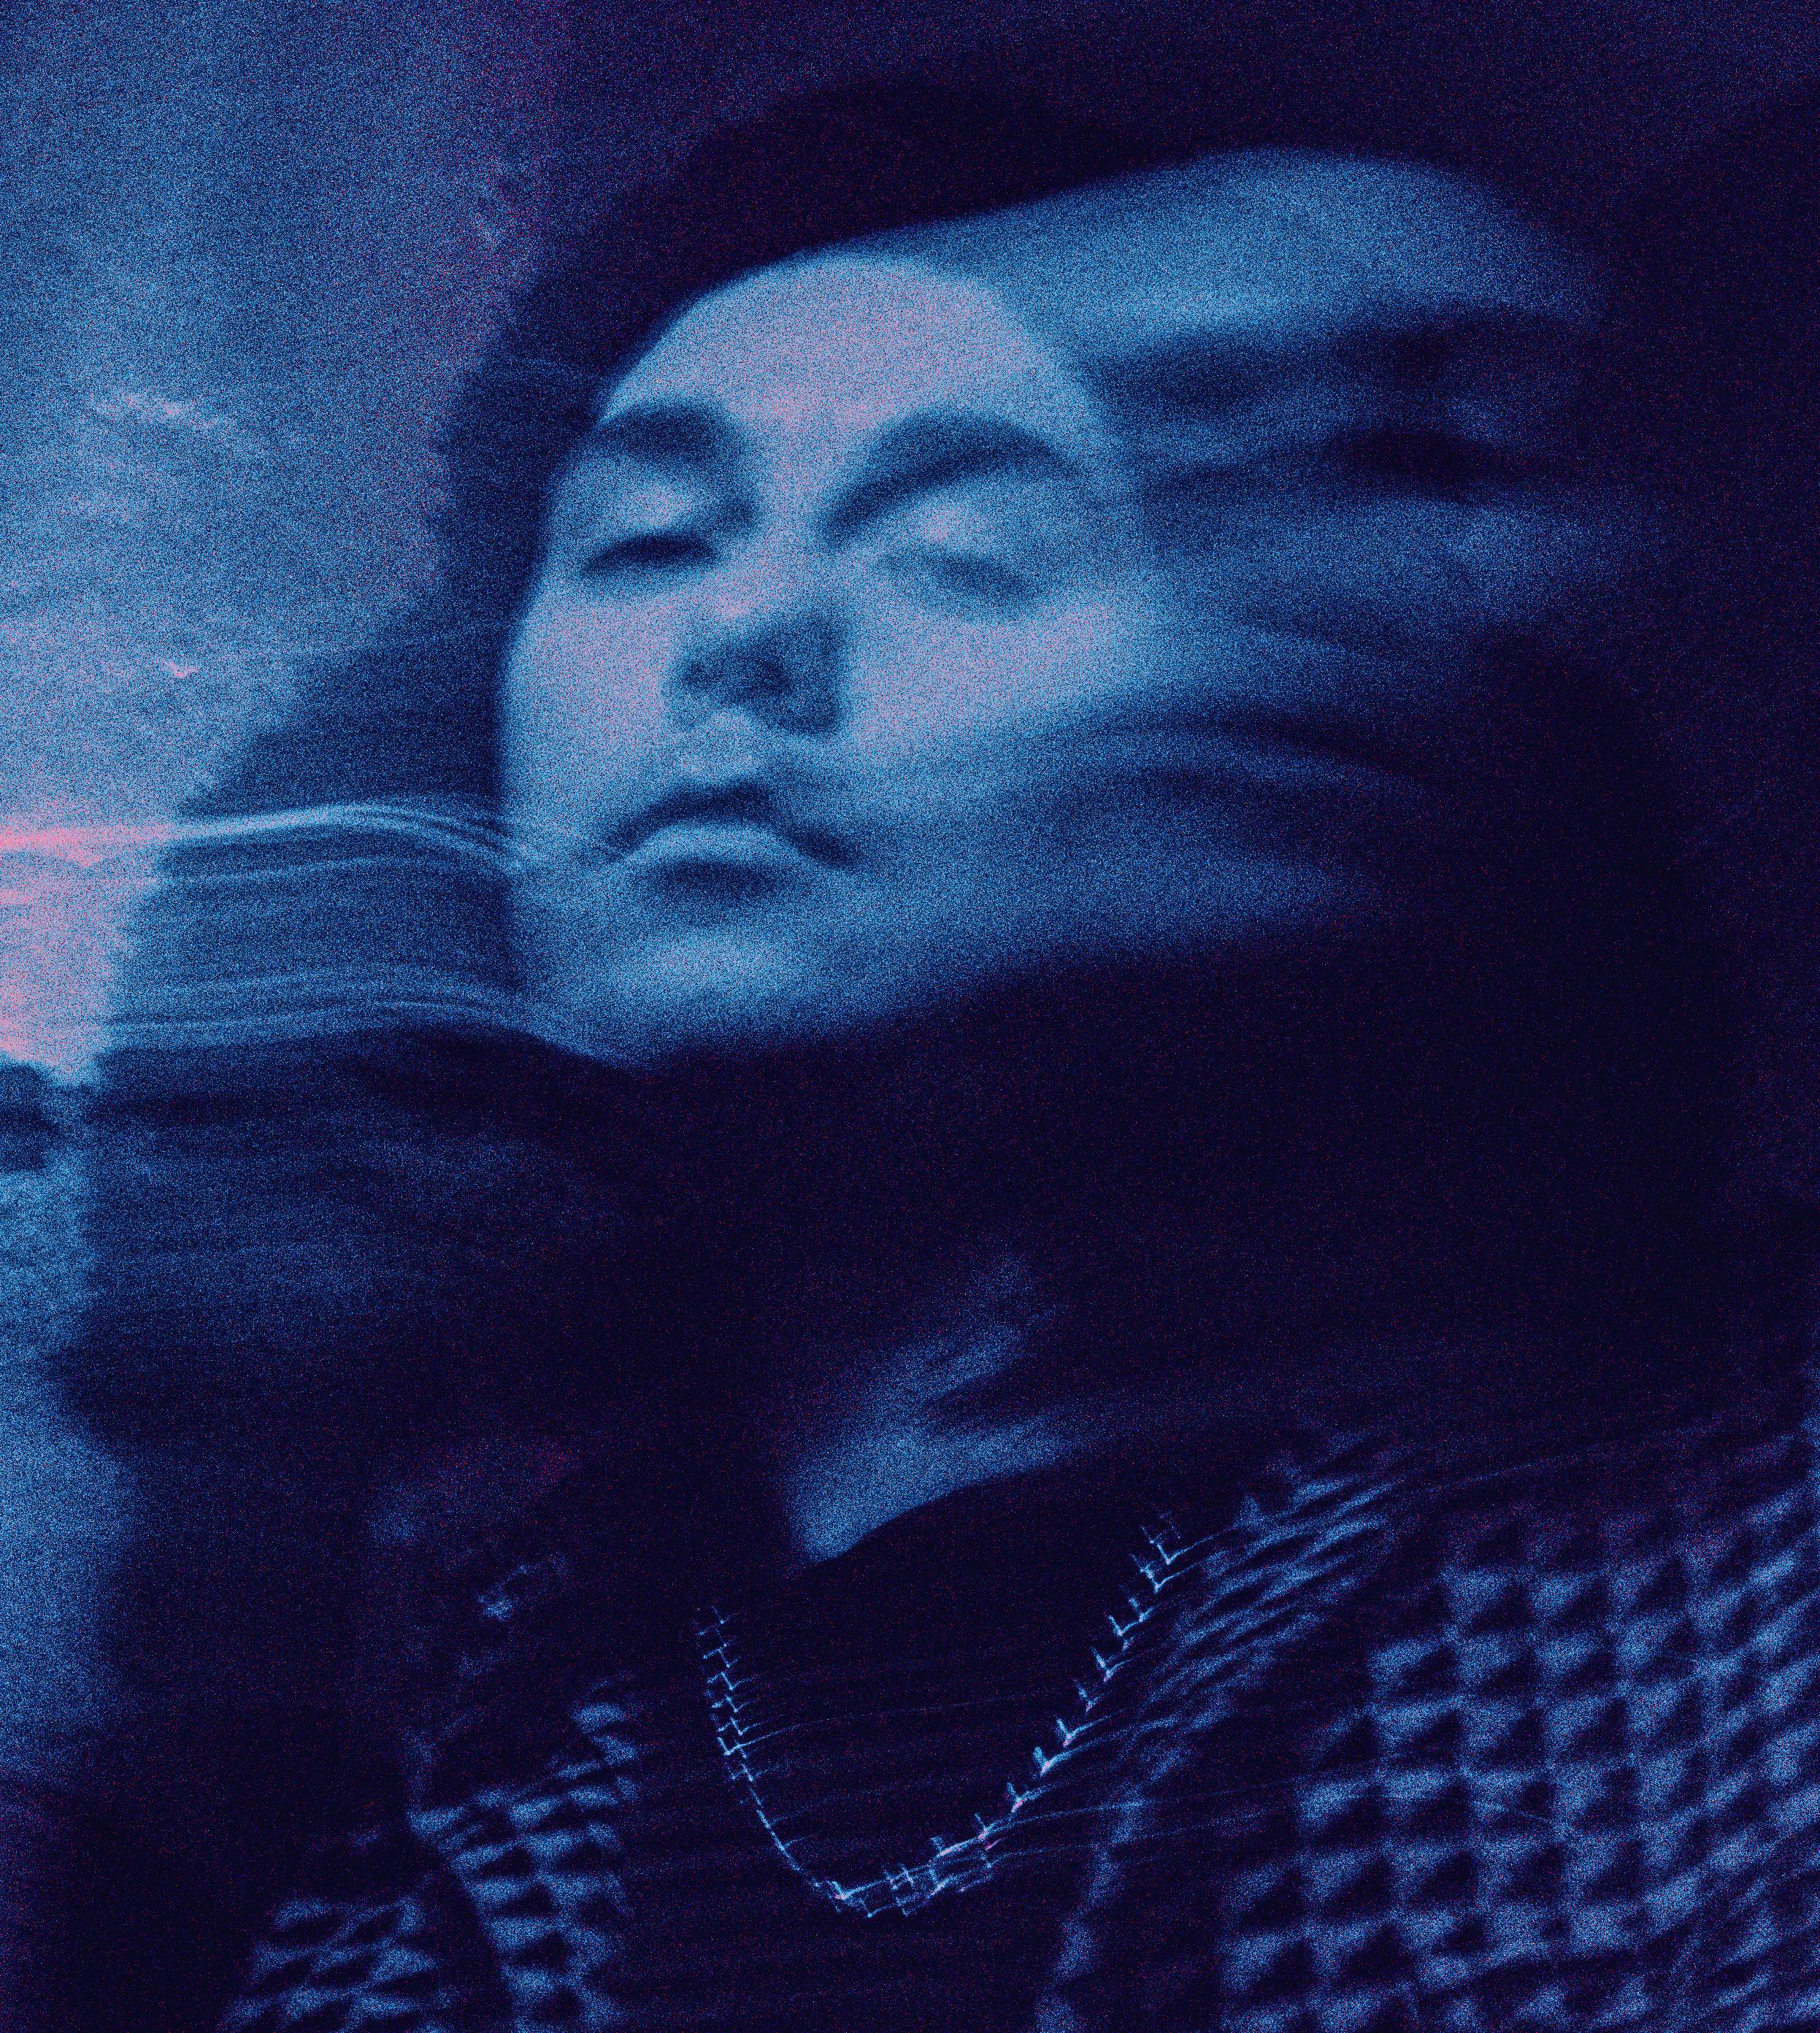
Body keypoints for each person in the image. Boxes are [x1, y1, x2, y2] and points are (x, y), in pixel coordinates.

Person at [44, 77, 1820, 2033]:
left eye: (958, 545)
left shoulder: (1690, 1592)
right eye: (646, 542)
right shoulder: (436, 1749)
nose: (749, 635)